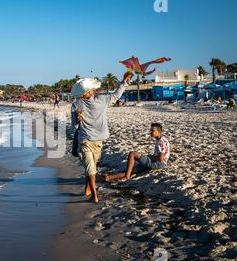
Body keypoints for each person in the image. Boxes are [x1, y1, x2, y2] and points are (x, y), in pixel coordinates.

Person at [71, 71, 133, 203]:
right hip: (85, 141)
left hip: (98, 141)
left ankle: (88, 188)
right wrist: (124, 82)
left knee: (90, 169)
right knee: (91, 169)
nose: (93, 90)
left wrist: (124, 82)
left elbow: (74, 125)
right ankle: (95, 195)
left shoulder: (98, 100)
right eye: (91, 89)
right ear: (85, 93)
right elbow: (117, 95)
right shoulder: (78, 105)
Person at [105, 123, 170, 182]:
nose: (150, 132)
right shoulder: (162, 139)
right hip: (157, 162)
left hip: (158, 164)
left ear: (159, 132)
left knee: (132, 154)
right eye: (150, 130)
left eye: (152, 130)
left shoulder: (161, 142)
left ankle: (127, 177)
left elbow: (160, 158)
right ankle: (109, 177)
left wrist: (150, 156)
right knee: (131, 170)